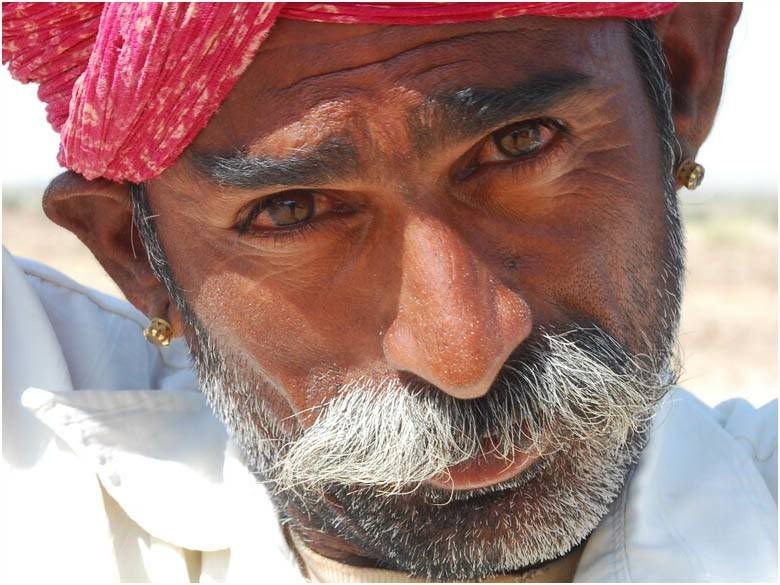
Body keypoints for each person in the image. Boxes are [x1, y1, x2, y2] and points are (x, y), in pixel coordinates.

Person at [2, 2, 776, 582]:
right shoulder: (40, 499)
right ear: (137, 255)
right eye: (293, 210)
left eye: (519, 143)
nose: (463, 356)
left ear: (681, 80)